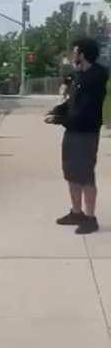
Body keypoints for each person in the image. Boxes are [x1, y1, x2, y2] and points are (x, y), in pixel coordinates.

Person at [45, 38, 109, 234]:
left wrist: (60, 120)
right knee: (72, 173)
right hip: (73, 131)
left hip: (85, 132)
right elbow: (72, 103)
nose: (72, 55)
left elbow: (85, 111)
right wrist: (58, 111)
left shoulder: (95, 78)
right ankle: (76, 212)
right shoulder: (80, 75)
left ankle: (90, 218)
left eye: (75, 52)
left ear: (82, 54)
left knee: (86, 176)